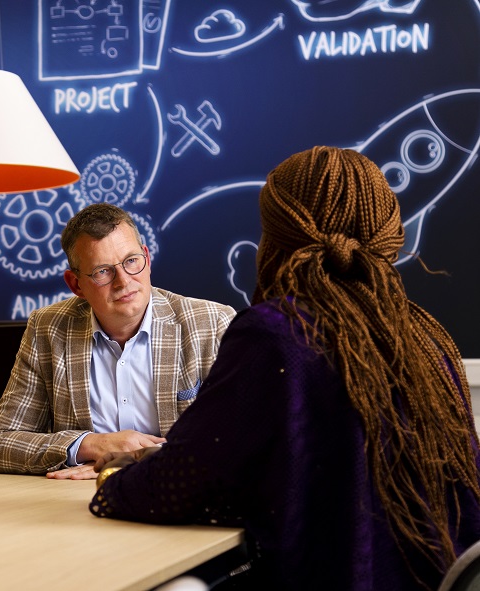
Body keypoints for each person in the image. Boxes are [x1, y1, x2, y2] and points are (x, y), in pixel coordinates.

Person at [89, 146, 480, 590]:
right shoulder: (428, 337)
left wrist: (112, 478)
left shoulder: (276, 334)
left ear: (276, 237)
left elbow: (176, 485)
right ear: (388, 231)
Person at [0, 203, 236, 477]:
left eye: (131, 261)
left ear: (147, 259)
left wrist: (135, 461)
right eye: (103, 271)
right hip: (74, 504)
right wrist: (90, 445)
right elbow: (0, 443)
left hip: (179, 497)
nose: (123, 281)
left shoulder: (212, 324)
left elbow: (247, 434)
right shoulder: (48, 329)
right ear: (76, 284)